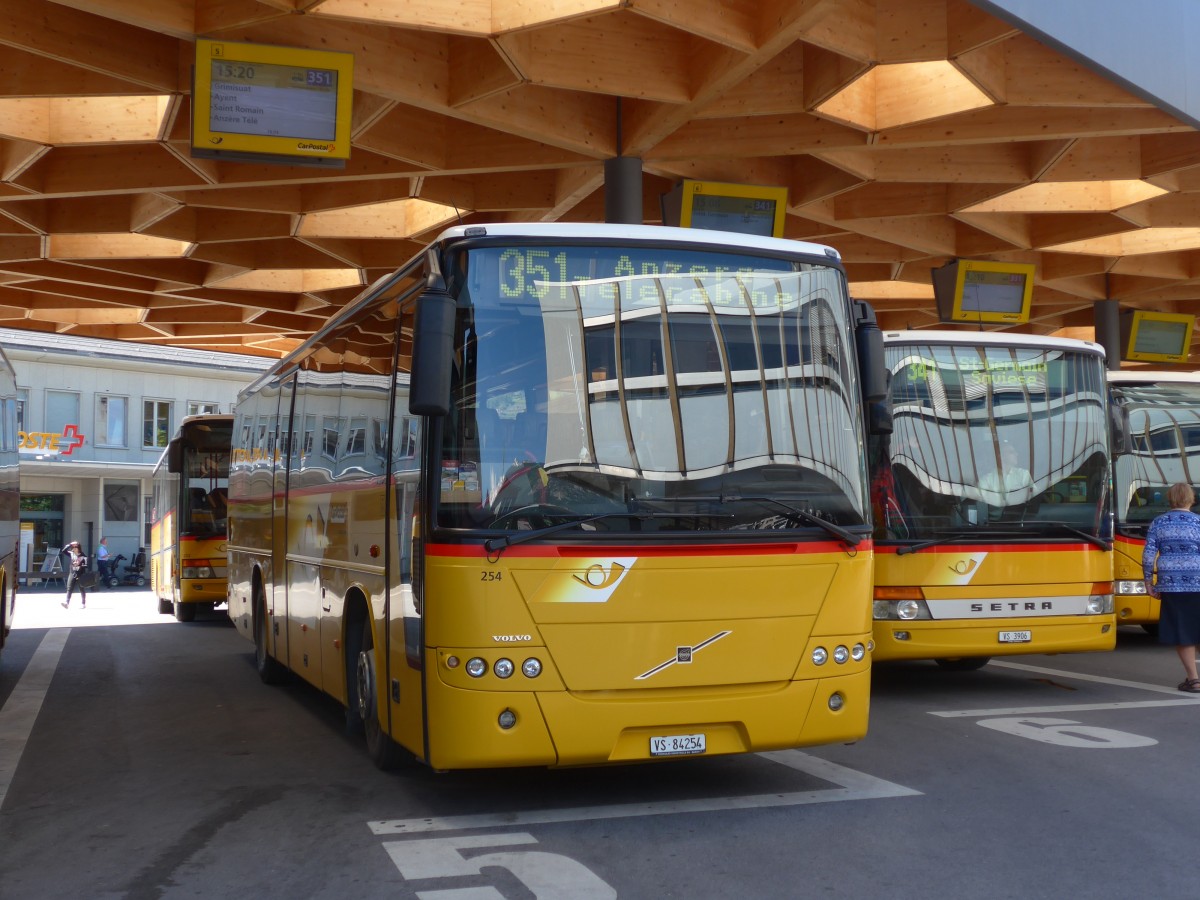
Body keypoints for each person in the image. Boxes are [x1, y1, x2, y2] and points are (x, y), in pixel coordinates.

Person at [1142, 482, 1200, 692]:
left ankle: (1194, 680)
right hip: (1198, 580)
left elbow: (1148, 555)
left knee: (1182, 630)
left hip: (1172, 583)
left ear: (1169, 499)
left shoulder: (1159, 522)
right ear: (1191, 499)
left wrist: (1148, 582)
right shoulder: (1198, 522)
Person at [60, 540, 89, 609]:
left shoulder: (83, 555)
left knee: (81, 588)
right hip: (72, 573)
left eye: (76, 547)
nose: (74, 549)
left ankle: (83, 603)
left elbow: (86, 565)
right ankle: (67, 603)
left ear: (79, 548)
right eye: (73, 547)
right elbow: (63, 551)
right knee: (69, 588)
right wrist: (70, 544)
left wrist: (79, 564)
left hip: (80, 574)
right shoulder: (71, 554)